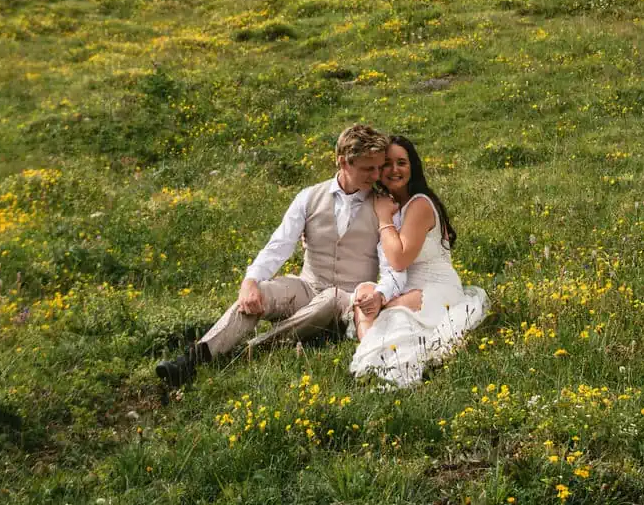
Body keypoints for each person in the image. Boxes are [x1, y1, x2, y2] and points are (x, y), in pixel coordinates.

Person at [156, 123, 391, 386]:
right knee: (261, 293)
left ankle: (252, 349)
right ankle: (194, 359)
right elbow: (279, 244)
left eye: (379, 167)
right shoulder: (309, 197)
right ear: (342, 162)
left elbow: (389, 261)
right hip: (308, 287)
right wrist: (251, 281)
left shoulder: (383, 204)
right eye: (368, 168)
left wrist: (379, 293)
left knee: (333, 297)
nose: (376, 175)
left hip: (349, 300)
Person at [348, 134, 487, 387]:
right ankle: (370, 358)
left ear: (413, 167)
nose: (394, 170)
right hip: (402, 284)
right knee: (363, 294)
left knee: (400, 316)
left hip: (436, 287)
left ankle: (382, 365)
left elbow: (399, 259)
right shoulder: (391, 205)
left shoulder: (419, 204)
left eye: (402, 162)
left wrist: (383, 218)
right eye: (386, 164)